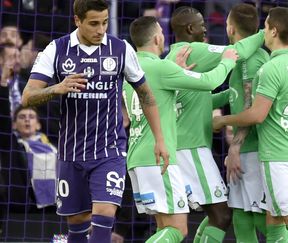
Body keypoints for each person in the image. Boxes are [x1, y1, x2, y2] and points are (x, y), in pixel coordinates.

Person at [21, 1, 168, 242]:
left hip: (109, 150)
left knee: (104, 214)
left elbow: (146, 96)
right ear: (77, 20)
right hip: (72, 152)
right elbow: (28, 97)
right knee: (77, 223)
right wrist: (57, 88)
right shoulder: (56, 50)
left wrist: (159, 140)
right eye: (93, 23)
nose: (101, 30)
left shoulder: (121, 49)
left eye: (104, 22)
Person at [213, 7, 288, 243]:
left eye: (265, 27)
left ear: (274, 31)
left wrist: (222, 120)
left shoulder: (269, 68)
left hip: (276, 152)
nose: (262, 31)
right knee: (275, 221)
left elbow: (256, 115)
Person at [125, 16, 239, 242]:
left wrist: (176, 73)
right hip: (158, 158)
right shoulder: (161, 67)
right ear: (158, 38)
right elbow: (208, 82)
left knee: (164, 228)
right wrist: (227, 61)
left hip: (137, 155)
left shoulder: (131, 69)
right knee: (178, 229)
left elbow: (160, 99)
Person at [166, 6, 265, 243]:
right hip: (192, 148)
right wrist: (265, 32)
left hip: (180, 145)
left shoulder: (172, 57)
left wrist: (231, 94)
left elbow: (198, 100)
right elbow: (236, 51)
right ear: (190, 29)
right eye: (201, 24)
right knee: (221, 215)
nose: (206, 28)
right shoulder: (196, 50)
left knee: (216, 214)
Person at [211, 3, 270, 242]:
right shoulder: (242, 56)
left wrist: (234, 148)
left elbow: (250, 105)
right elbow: (234, 94)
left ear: (230, 27)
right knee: (241, 218)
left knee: (261, 220)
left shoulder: (251, 60)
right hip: (245, 150)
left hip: (253, 150)